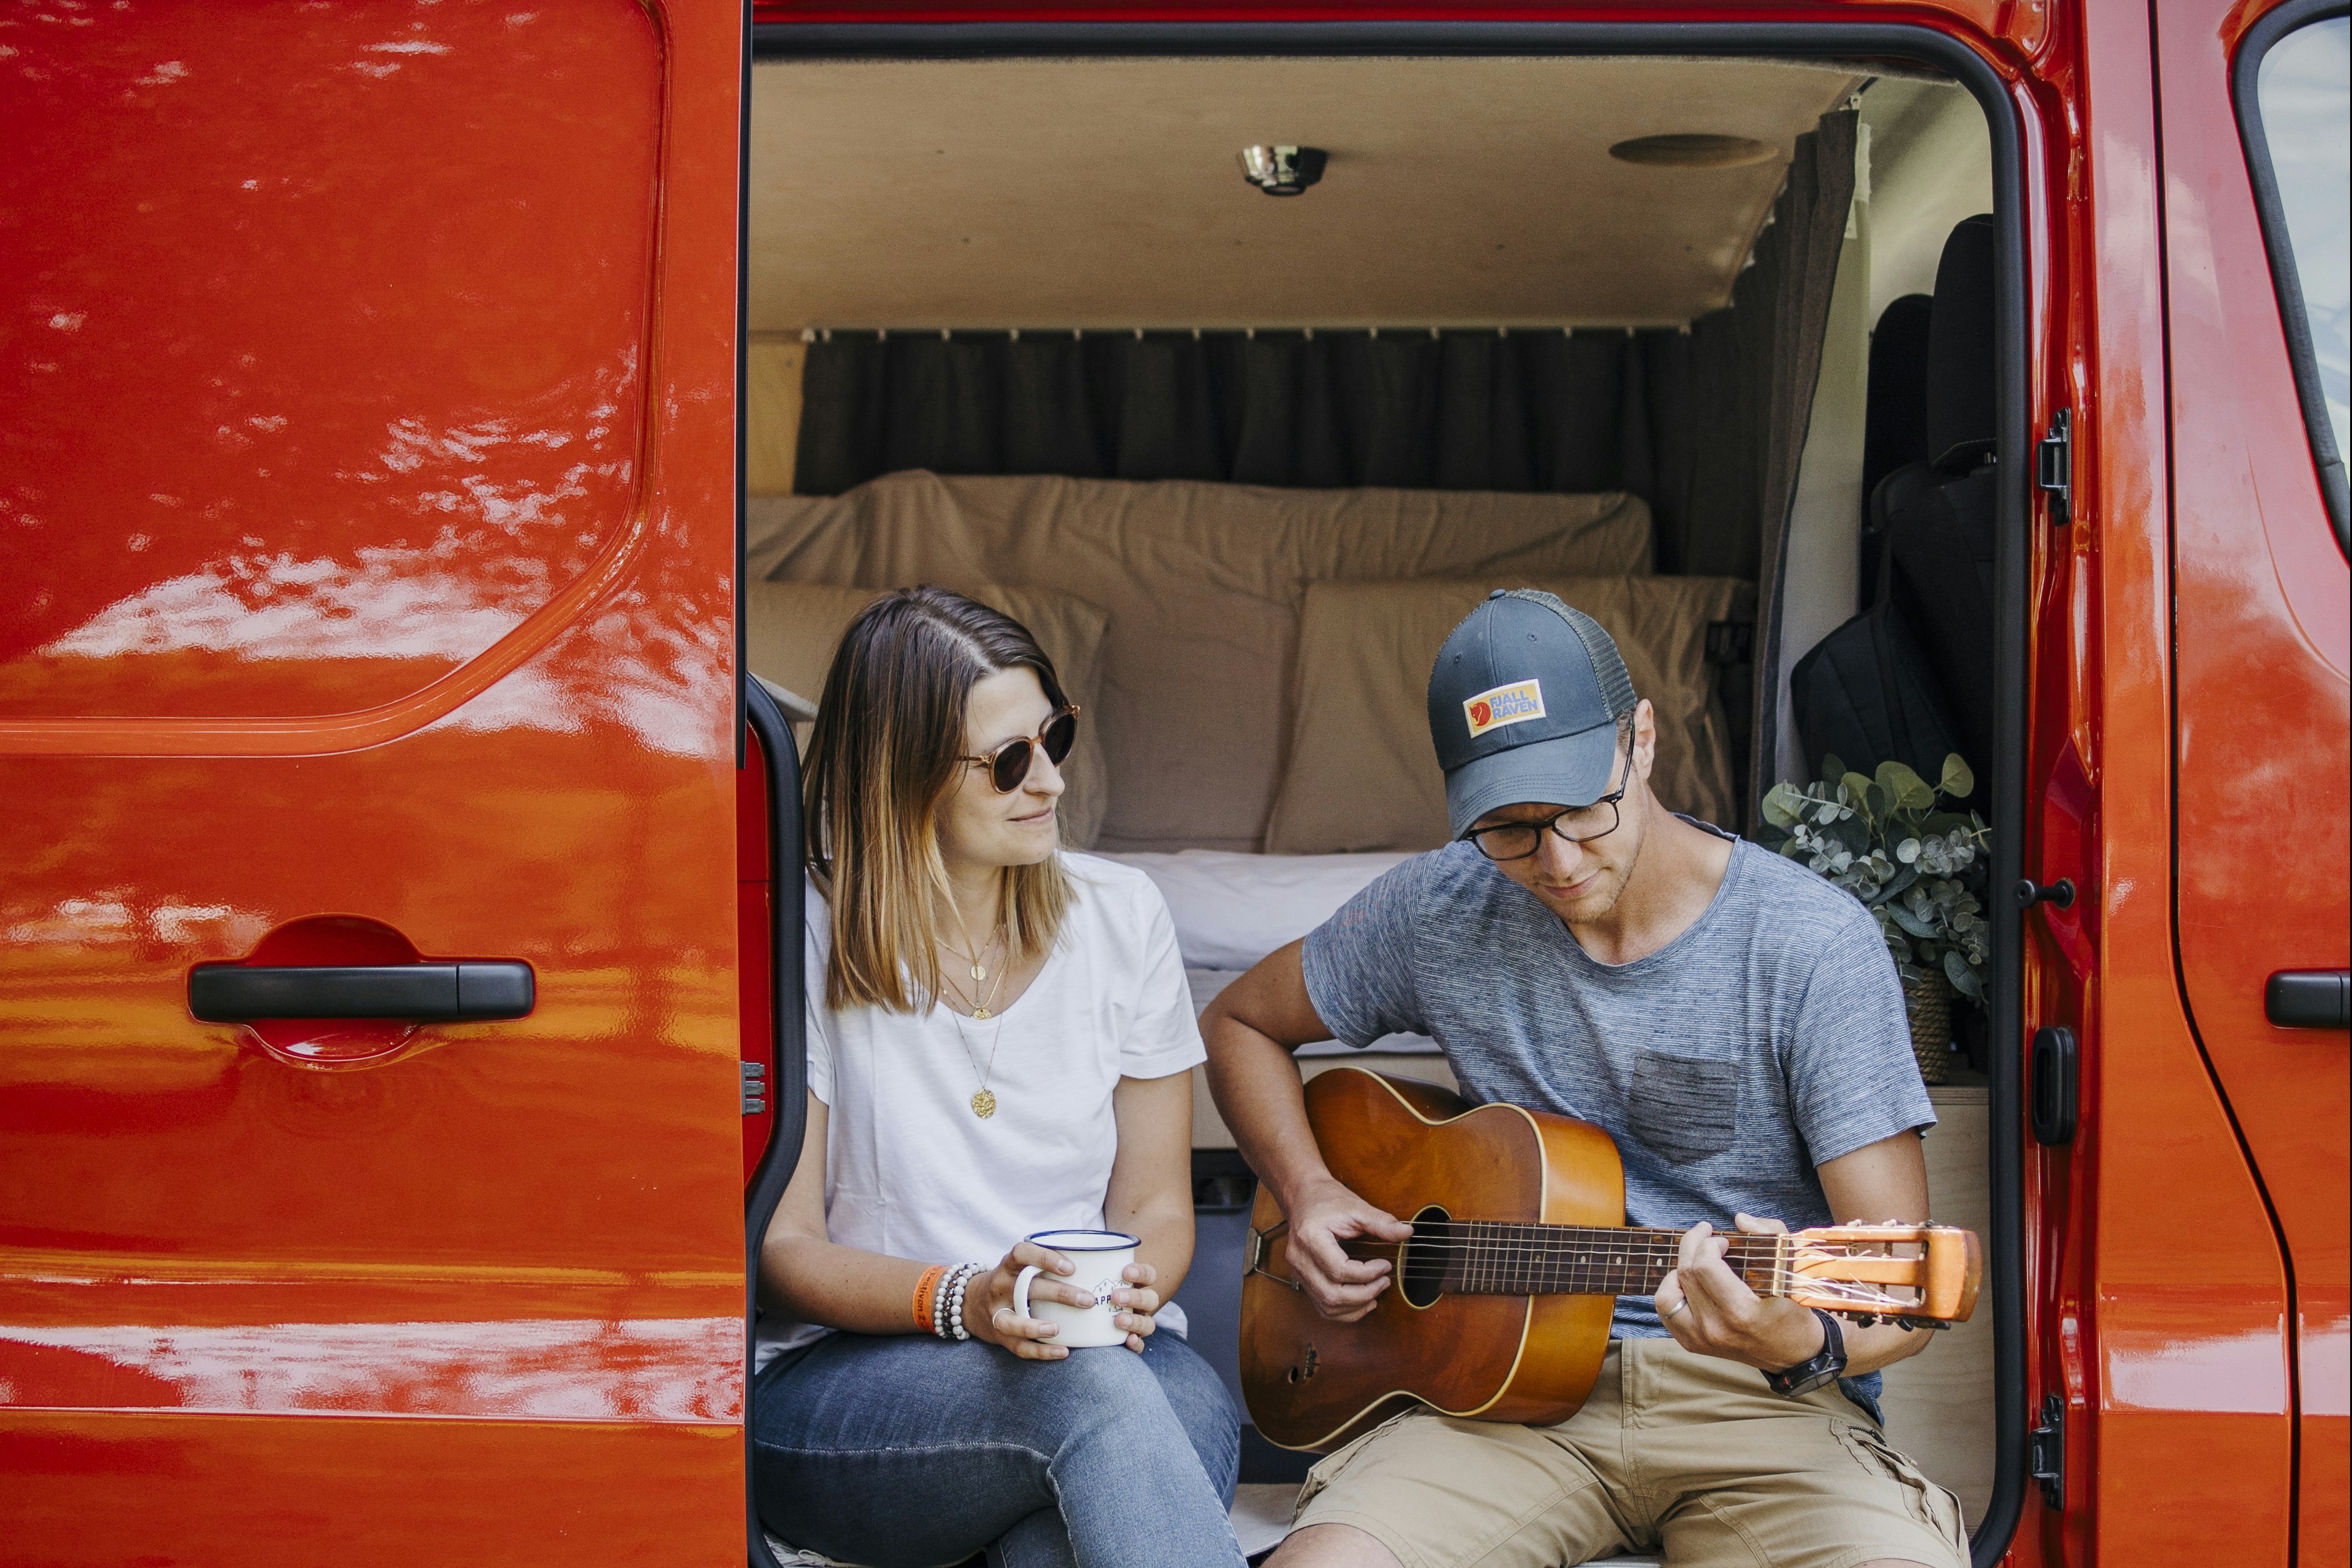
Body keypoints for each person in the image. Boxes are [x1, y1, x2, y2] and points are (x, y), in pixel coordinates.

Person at [1204, 589, 1968, 1568]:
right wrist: (1308, 1191)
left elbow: (1893, 1301)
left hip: (1757, 1410)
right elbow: (1237, 1023)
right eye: (1508, 828)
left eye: (1580, 810)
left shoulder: (1809, 946)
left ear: (1639, 739)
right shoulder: (1441, 907)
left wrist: (1799, 1344)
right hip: (1489, 1404)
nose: (1555, 861)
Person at [753, 586, 1245, 1568]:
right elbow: (786, 1248)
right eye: (1009, 762)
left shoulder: (1121, 914)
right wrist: (967, 1298)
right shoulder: (801, 934)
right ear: (903, 777)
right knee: (1092, 1406)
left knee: (1073, 1519)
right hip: (847, 1380)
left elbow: (1153, 1199)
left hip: (1102, 1351)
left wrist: (1135, 1287)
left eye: (1053, 738)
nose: (1052, 783)